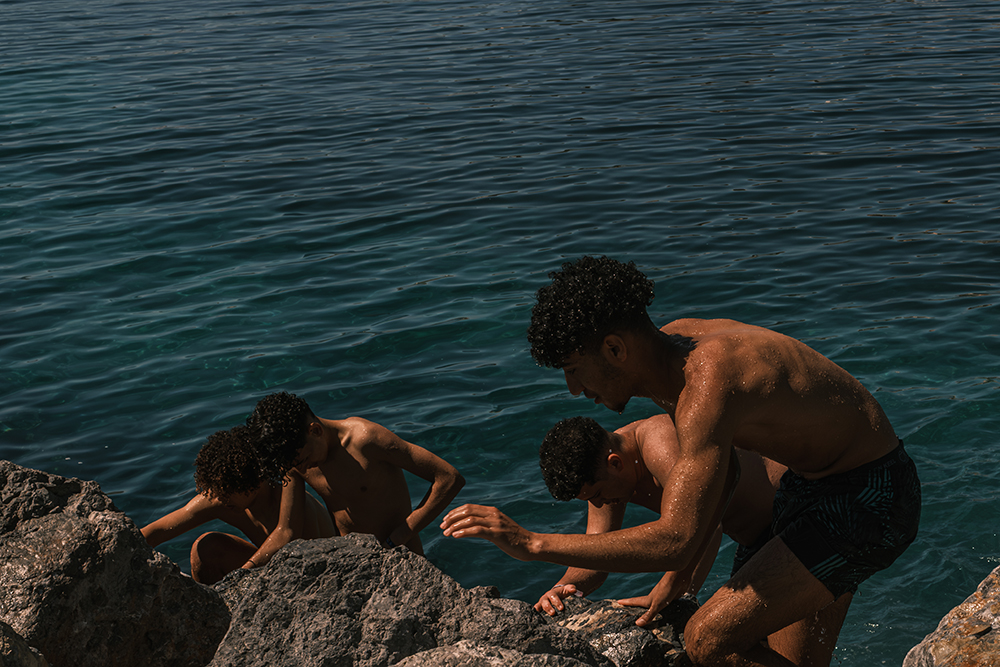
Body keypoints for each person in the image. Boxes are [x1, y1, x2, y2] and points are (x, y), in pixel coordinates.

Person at [442, 255, 921, 667]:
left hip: (869, 493)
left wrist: (531, 542)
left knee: (707, 639)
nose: (573, 389)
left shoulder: (707, 381)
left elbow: (676, 539)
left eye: (572, 369)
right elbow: (728, 474)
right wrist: (676, 583)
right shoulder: (669, 356)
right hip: (807, 491)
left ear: (615, 349)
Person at [534, 414, 785, 628]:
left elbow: (704, 525)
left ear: (615, 463)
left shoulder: (660, 444)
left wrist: (675, 589)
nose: (598, 505)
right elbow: (596, 553)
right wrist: (564, 587)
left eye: (598, 495)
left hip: (789, 517)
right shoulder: (604, 470)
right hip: (756, 543)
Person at [247, 391, 465, 555]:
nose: (302, 469)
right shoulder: (295, 459)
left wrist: (400, 536)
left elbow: (449, 478)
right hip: (353, 560)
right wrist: (248, 569)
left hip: (401, 556)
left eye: (304, 460)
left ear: (315, 430)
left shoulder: (366, 440)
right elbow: (287, 530)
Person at [141, 424, 335, 585]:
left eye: (228, 489)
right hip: (268, 568)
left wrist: (240, 576)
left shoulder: (289, 495)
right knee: (207, 547)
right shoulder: (222, 498)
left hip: (319, 571)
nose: (221, 498)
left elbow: (290, 539)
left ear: (256, 480)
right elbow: (159, 530)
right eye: (218, 489)